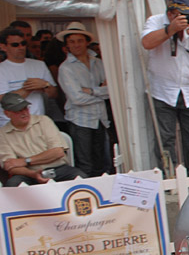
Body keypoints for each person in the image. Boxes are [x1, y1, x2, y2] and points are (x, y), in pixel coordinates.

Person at [141, 0, 189, 173]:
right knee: (165, 138)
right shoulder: (156, 21)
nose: (185, 18)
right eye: (181, 15)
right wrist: (170, 30)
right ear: (171, 13)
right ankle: (168, 175)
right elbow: (147, 43)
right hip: (163, 90)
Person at [56, 22, 110, 177]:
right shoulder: (65, 68)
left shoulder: (98, 63)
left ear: (87, 42)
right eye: (71, 42)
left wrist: (92, 91)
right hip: (80, 120)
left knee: (102, 161)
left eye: (79, 40)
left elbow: (111, 91)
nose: (76, 45)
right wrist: (100, 93)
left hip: (100, 118)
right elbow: (77, 98)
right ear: (67, 45)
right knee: (85, 163)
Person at [0, 92, 83, 185]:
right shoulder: (2, 133)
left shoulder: (43, 120)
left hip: (57, 168)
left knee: (80, 177)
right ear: (7, 114)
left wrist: (25, 161)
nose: (24, 113)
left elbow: (58, 152)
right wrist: (33, 174)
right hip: (28, 174)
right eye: (17, 111)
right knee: (13, 184)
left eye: (25, 108)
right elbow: (10, 166)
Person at [0, 27, 58, 127]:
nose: (21, 47)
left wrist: (45, 85)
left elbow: (54, 94)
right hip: (10, 125)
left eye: (23, 43)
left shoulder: (39, 65)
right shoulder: (2, 69)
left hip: (38, 123)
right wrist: (29, 88)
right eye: (15, 45)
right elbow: (4, 100)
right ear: (3, 47)